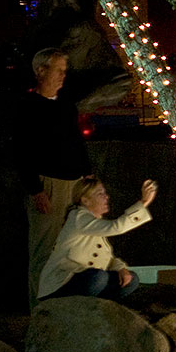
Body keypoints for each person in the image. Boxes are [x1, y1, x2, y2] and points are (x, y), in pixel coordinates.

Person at [15, 48, 91, 306]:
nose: (62, 76)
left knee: (71, 248)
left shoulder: (65, 106)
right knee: (44, 251)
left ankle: (63, 304)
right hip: (48, 183)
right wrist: (35, 189)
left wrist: (87, 176)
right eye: (58, 70)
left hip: (73, 183)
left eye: (64, 71)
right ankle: (40, 309)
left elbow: (76, 141)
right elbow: (22, 150)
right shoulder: (28, 107)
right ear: (41, 71)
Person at [39, 176, 157, 301]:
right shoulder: (78, 217)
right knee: (98, 277)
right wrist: (143, 202)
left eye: (105, 193)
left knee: (131, 279)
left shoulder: (94, 223)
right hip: (60, 285)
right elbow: (116, 227)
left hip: (90, 280)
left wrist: (121, 268)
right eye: (100, 194)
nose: (106, 197)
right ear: (85, 200)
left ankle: (99, 309)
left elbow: (107, 258)